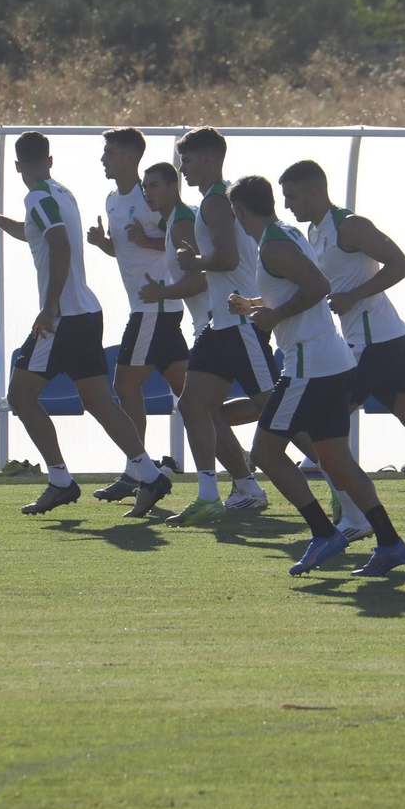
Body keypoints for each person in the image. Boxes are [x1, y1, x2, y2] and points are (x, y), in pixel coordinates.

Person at [0, 131, 173, 516]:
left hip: (62, 318)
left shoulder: (38, 196)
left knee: (21, 396)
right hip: (86, 313)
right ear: (50, 161)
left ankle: (61, 481)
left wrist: (48, 309)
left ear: (17, 167)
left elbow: (58, 243)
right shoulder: (61, 193)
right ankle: (149, 474)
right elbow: (36, 234)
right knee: (99, 401)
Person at [228, 175, 405, 578]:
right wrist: (256, 304)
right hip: (332, 363)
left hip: (308, 366)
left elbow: (318, 285)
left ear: (240, 211)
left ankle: (323, 533)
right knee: (335, 459)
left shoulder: (274, 244)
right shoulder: (288, 234)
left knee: (265, 453)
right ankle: (390, 543)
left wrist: (274, 315)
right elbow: (300, 288)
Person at [278, 158, 405, 541]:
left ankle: (353, 515)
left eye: (291, 196)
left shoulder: (350, 225)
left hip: (373, 344)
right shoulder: (314, 230)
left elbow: (401, 264)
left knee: (313, 426)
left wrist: (354, 295)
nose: (287, 204)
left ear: (313, 190)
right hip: (379, 341)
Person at [165, 127, 283, 526]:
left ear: (209, 160)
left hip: (240, 320)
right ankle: (224, 492)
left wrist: (193, 261)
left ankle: (340, 490)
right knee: (193, 404)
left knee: (274, 409)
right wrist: (197, 257)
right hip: (222, 323)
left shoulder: (216, 201)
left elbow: (229, 259)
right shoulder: (219, 199)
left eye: (187, 160)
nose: (183, 168)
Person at [84, 129, 190, 503]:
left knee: (124, 388)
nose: (103, 159)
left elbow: (179, 242)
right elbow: (126, 251)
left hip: (154, 307)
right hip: (153, 309)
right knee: (191, 397)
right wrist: (103, 245)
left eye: (109, 153)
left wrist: (145, 240)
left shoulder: (151, 199)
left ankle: (136, 471)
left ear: (130, 158)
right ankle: (243, 475)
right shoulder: (113, 199)